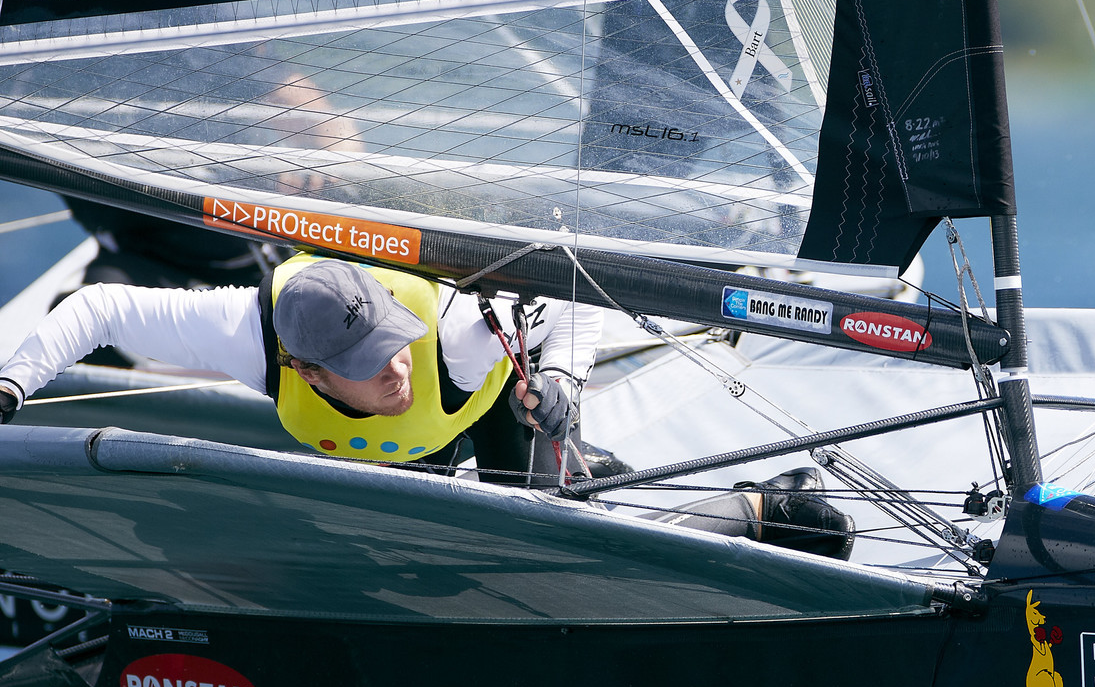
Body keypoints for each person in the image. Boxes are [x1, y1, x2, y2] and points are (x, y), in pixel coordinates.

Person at [0, 252, 855, 557]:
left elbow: (576, 283)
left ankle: (760, 502)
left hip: (491, 393)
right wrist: (12, 384)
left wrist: (561, 376)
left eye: (387, 343)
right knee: (426, 531)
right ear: (304, 369)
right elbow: (99, 310)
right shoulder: (246, 332)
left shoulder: (445, 335)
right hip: (412, 451)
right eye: (368, 366)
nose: (393, 369)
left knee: (570, 526)